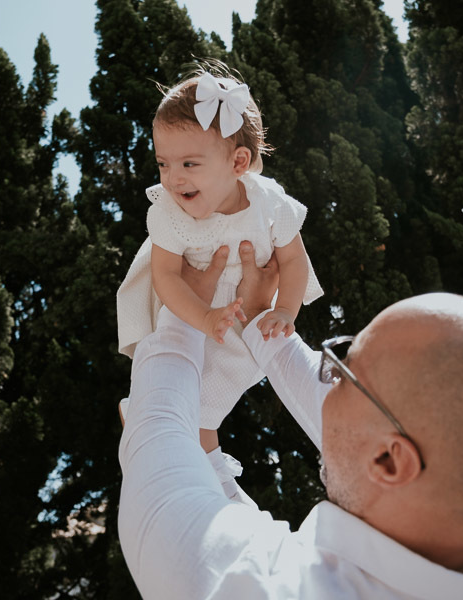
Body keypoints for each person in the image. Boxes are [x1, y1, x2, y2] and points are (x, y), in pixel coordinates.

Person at [118, 242, 463, 599]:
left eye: (342, 373)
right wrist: (260, 320)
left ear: (391, 462)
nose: (326, 373)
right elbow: (373, 427)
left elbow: (158, 450)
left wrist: (185, 312)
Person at [116, 63, 323, 498]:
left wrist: (286, 308)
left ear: (238, 162)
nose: (173, 178)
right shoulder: (169, 214)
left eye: (189, 163)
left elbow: (294, 260)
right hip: (188, 303)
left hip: (248, 311)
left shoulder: (271, 204)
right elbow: (167, 277)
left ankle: (156, 419)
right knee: (183, 369)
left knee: (227, 378)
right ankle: (167, 428)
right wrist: (204, 317)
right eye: (163, 163)